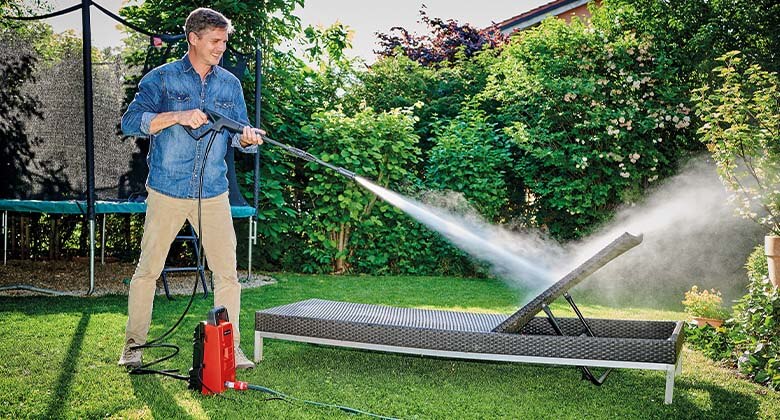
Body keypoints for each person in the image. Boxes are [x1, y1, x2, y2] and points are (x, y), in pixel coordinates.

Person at [118, 7, 264, 370]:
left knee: (228, 274)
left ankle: (232, 350)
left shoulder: (230, 84)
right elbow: (130, 122)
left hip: (213, 193)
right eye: (215, 41)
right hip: (167, 189)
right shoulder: (162, 79)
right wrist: (177, 116)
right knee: (147, 271)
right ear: (193, 39)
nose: (221, 48)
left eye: (224, 41)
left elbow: (237, 136)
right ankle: (133, 346)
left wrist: (247, 140)